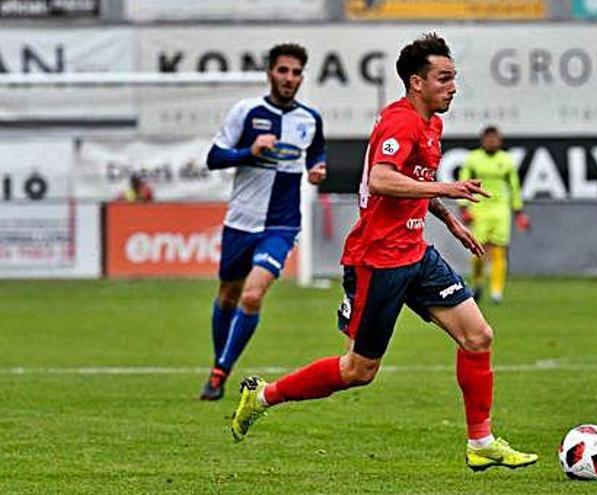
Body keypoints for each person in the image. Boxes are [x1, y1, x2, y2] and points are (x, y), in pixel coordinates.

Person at [230, 33, 538, 472]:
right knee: (359, 370)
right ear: (417, 82)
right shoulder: (401, 122)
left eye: (455, 78)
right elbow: (382, 179)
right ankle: (262, 396)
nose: (453, 87)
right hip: (378, 260)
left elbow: (412, 183)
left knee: (478, 336)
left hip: (415, 253)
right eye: (444, 78)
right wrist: (445, 187)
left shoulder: (432, 123)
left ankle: (481, 441)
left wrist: (447, 218)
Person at [198, 43, 328, 400]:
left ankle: (219, 373)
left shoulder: (310, 119)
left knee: (252, 296)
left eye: (296, 72)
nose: (289, 78)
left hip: (281, 225)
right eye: (283, 70)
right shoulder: (247, 111)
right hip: (240, 222)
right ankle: (219, 360)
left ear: (302, 76)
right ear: (270, 72)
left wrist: (317, 169)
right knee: (228, 295)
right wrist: (248, 152)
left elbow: (316, 153)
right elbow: (213, 158)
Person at [458, 126, 529, 304]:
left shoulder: (506, 160)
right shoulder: (473, 159)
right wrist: (463, 207)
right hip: (479, 208)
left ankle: (497, 292)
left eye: (495, 139)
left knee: (499, 250)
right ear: (483, 140)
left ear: (499, 141)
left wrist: (519, 212)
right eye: (488, 139)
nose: (491, 142)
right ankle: (478, 283)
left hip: (500, 209)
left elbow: (514, 187)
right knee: (478, 250)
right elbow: (463, 182)